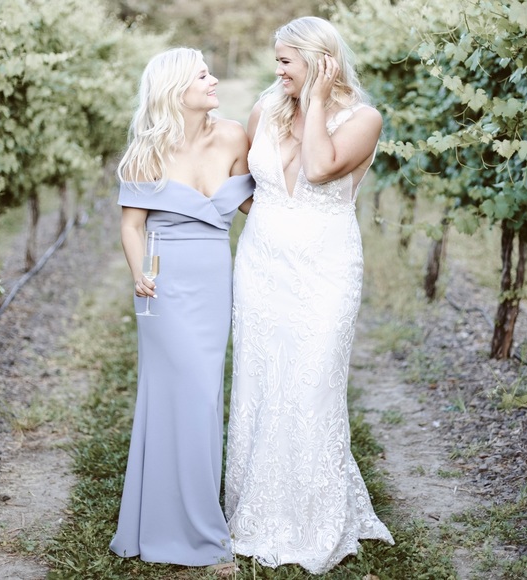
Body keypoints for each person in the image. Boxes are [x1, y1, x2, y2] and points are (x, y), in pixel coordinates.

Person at [224, 16, 394, 575]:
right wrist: (270, 220)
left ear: (321, 62)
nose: (277, 71)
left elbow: (320, 168)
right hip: (262, 266)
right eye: (276, 60)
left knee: (313, 382)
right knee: (262, 379)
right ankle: (257, 509)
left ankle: (314, 519)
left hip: (326, 268)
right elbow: (245, 185)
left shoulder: (363, 119)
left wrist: (317, 100)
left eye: (286, 61)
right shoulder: (265, 110)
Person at [109, 47, 253, 576]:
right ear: (175, 90)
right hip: (162, 284)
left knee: (204, 394)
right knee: (183, 393)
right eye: (203, 75)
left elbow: (252, 205)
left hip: (214, 284)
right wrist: (138, 274)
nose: (213, 81)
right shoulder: (146, 153)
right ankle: (195, 532)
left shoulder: (234, 136)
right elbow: (131, 226)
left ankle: (182, 517)